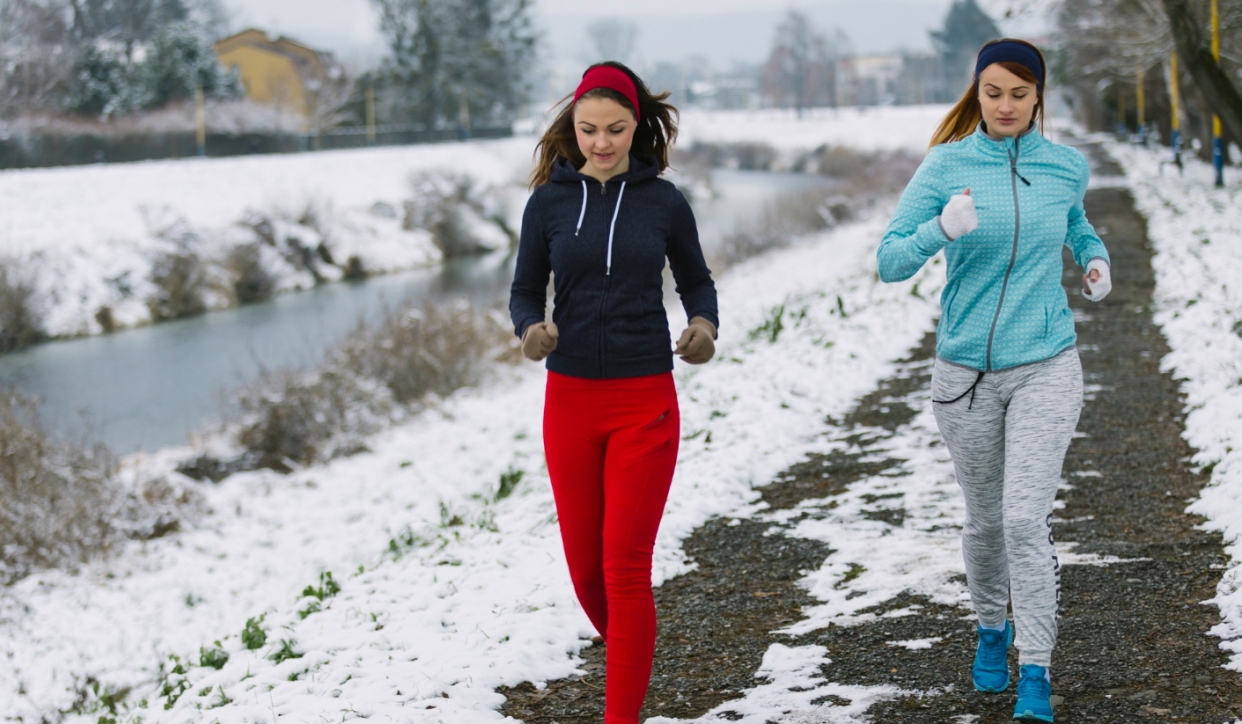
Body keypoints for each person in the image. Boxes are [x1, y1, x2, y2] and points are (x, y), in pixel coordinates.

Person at [877, 38, 1111, 723]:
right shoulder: (946, 165)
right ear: (975, 94)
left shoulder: (1066, 166)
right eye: (993, 92)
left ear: (1038, 95)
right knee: (984, 521)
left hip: (1046, 363)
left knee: (1021, 519)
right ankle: (990, 628)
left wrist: (1093, 259)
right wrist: (938, 231)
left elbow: (1075, 224)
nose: (1005, 105)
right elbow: (890, 260)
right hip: (966, 375)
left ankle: (1035, 668)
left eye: (1018, 92)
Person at [509, 61, 719, 724]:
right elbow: (522, 291)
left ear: (637, 126)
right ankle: (631, 642)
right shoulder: (546, 202)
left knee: (625, 568)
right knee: (585, 569)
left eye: (616, 129)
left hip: (644, 399)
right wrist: (529, 331)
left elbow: (696, 282)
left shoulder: (664, 201)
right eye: (589, 129)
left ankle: (621, 710)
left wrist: (704, 326)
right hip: (569, 401)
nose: (602, 141)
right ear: (572, 127)